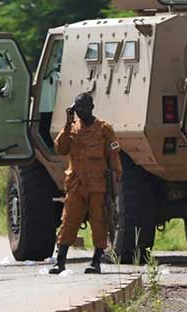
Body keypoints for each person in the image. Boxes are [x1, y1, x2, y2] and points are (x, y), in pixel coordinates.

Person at [49, 93, 122, 275]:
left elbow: (114, 158)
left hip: (98, 185)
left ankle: (96, 260)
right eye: (77, 108)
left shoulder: (104, 129)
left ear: (91, 107)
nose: (79, 112)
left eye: (82, 108)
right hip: (76, 184)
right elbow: (60, 148)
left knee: (99, 222)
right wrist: (67, 123)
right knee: (68, 221)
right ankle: (60, 261)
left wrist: (116, 181)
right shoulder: (71, 129)